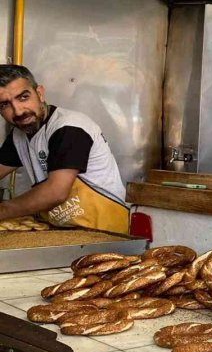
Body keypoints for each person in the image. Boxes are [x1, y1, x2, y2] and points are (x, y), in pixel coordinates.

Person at [0, 64, 128, 233]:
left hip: (104, 234)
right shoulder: (20, 135)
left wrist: (3, 210)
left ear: (39, 93)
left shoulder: (70, 128)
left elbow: (56, 192)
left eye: (23, 97)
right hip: (64, 233)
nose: (18, 111)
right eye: (5, 105)